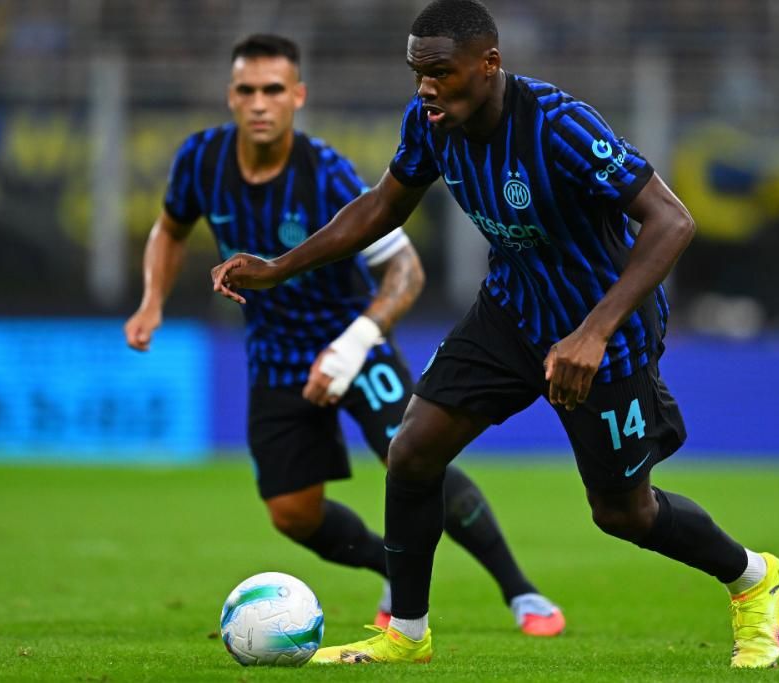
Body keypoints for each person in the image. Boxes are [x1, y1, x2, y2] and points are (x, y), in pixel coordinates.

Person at [210, 4, 779, 669]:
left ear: (488, 64)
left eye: (440, 72)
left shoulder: (559, 125)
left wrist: (593, 333)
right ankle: (406, 633)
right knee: (412, 451)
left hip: (605, 329)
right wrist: (279, 267)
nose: (426, 87)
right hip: (512, 313)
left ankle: (755, 578)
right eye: (417, 72)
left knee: (623, 513)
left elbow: (672, 220)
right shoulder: (429, 121)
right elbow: (383, 205)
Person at [125, 32, 566, 638]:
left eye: (273, 89)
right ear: (230, 96)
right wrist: (151, 301)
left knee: (416, 454)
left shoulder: (326, 173)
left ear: (297, 96)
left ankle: (520, 591)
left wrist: (352, 344)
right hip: (274, 356)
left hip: (354, 343)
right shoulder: (200, 160)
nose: (259, 103)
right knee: (292, 514)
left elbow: (405, 271)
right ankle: (391, 569)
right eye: (247, 90)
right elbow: (169, 229)